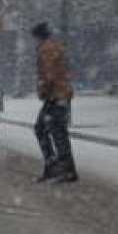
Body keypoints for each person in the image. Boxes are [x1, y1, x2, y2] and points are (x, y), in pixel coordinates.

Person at [31, 22, 78, 183]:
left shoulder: (47, 49)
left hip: (56, 96)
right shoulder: (54, 46)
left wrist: (43, 90)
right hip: (59, 95)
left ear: (38, 37)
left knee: (53, 131)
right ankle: (59, 167)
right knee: (49, 129)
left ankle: (61, 168)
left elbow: (49, 75)